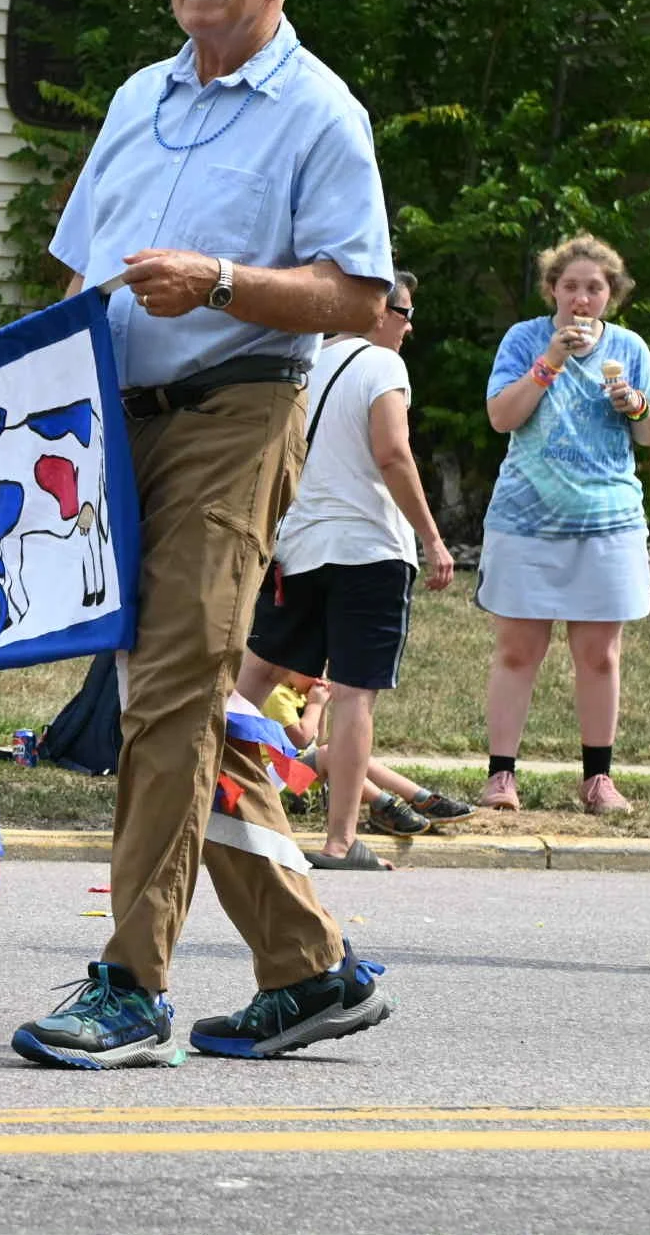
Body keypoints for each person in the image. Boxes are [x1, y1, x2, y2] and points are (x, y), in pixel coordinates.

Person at [9, 0, 398, 1069]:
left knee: (168, 685)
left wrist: (222, 281)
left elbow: (358, 296)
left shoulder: (321, 113)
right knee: (180, 700)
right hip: (108, 425)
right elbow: (76, 279)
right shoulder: (138, 93)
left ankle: (130, 983)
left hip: (236, 408)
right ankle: (307, 967)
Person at [235, 270, 461, 870]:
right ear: (379, 309)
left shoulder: (305, 361)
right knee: (356, 693)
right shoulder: (383, 366)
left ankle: (202, 787)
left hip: (300, 547)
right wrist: (433, 538)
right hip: (368, 549)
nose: (409, 327)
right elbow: (392, 451)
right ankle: (340, 841)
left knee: (257, 673)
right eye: (405, 312)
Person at [475, 235, 650, 817]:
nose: (582, 299)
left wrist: (633, 404)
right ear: (553, 291)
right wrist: (551, 361)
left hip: (607, 521)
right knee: (518, 650)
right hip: (526, 520)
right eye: (571, 287)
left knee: (600, 655)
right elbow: (501, 416)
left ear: (611, 294)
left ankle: (598, 780)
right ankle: (501, 777)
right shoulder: (525, 339)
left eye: (594, 288)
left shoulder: (630, 348)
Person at [259, 673, 477, 856]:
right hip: (275, 787)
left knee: (350, 758)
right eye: (313, 670)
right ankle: (385, 806)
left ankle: (422, 799)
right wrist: (316, 704)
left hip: (299, 782)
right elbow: (300, 739)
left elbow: (317, 740)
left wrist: (321, 707)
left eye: (324, 671)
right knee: (334, 753)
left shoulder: (299, 694)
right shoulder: (277, 695)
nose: (321, 678)